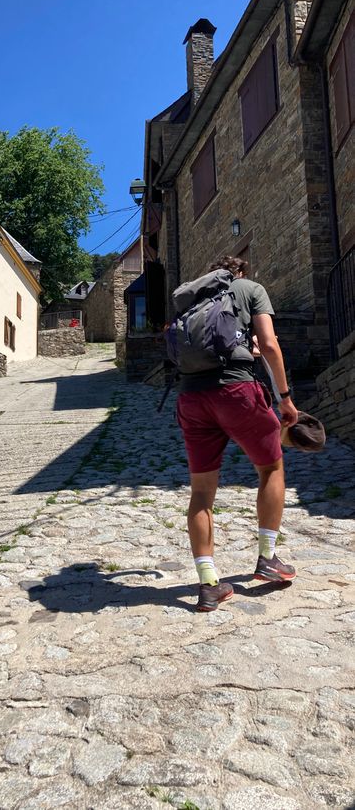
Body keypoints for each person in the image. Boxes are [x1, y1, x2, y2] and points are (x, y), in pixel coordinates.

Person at [175, 255, 299, 612]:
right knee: (271, 468)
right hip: (236, 392)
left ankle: (209, 585)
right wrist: (285, 398)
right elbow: (271, 346)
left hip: (191, 396)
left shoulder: (194, 300)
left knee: (201, 492)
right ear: (241, 272)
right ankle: (267, 559)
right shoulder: (250, 289)